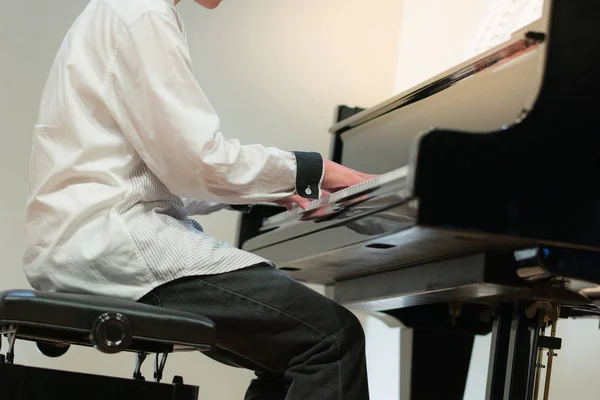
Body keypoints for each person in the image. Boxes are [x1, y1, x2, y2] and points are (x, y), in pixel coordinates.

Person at [23, 0, 373, 398]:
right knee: (332, 341)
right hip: (117, 245)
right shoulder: (143, 13)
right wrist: (314, 170)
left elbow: (147, 174)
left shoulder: (120, 9)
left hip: (87, 239)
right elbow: (195, 162)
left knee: (285, 357)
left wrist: (266, 189)